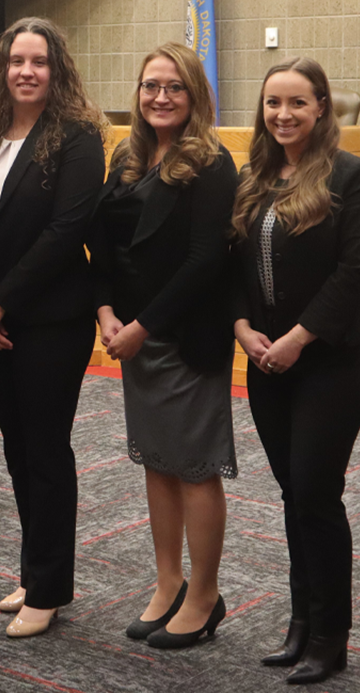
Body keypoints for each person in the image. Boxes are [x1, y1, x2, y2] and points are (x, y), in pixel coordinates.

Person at [231, 57, 360, 685]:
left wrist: (297, 338)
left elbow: (354, 273)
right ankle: (300, 623)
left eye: (297, 102)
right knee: (294, 494)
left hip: (330, 358)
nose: (283, 115)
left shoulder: (353, 176)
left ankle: (331, 635)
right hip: (266, 360)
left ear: (323, 106)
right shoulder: (254, 176)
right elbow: (231, 265)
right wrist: (241, 328)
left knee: (318, 494)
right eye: (273, 103)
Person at [0, 17, 107, 638]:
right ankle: (35, 569)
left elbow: (64, 233)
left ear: (56, 68)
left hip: (49, 322)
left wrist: (0, 303)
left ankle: (50, 588)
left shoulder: (77, 136)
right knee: (17, 451)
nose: (26, 71)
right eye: (16, 60)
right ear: (2, 68)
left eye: (38, 61)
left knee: (45, 451)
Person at [89, 43, 238, 649]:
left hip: (182, 337)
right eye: (151, 85)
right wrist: (104, 312)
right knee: (156, 459)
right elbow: (99, 243)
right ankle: (168, 580)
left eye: (174, 87)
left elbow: (205, 260)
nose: (160, 97)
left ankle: (205, 595)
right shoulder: (127, 155)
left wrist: (139, 328)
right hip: (132, 337)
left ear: (194, 94)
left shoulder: (213, 163)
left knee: (195, 467)